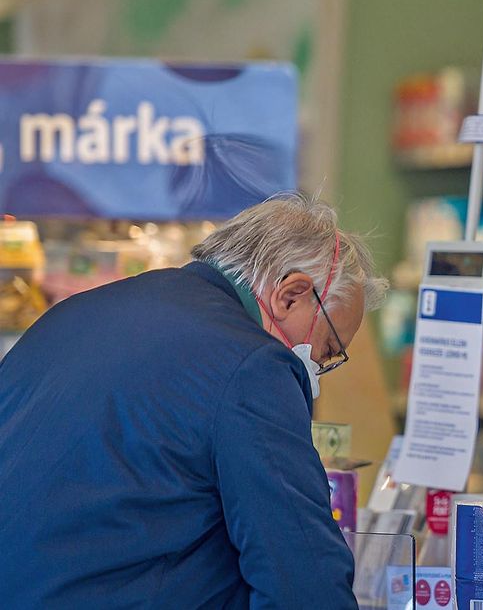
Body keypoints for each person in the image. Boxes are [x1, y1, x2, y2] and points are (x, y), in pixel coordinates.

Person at [0, 194, 387, 608]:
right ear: (290, 295)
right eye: (327, 350)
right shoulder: (253, 366)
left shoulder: (71, 315)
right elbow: (303, 576)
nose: (318, 370)